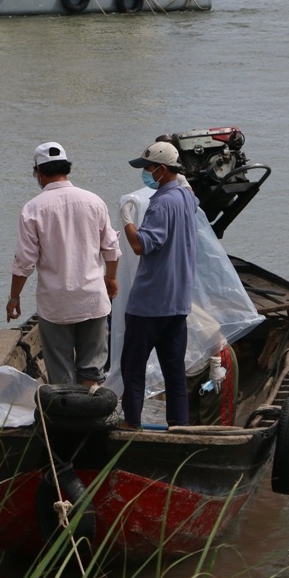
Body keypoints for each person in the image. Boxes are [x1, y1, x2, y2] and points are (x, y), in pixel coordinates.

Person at [7, 142, 121, 386]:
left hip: (55, 304)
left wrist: (14, 297)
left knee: (60, 372)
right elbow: (111, 249)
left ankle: (67, 416)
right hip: (92, 298)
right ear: (66, 168)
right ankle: (89, 413)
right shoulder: (93, 201)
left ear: (39, 172)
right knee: (91, 370)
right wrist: (111, 278)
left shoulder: (32, 209)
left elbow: (25, 261)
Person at [119, 141, 199, 428]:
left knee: (133, 368)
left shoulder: (162, 203)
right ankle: (179, 425)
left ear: (162, 170)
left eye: (149, 168)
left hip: (149, 303)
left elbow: (140, 245)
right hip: (178, 302)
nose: (146, 173)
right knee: (174, 370)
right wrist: (183, 183)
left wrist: (127, 218)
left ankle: (132, 425)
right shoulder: (186, 198)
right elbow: (192, 195)